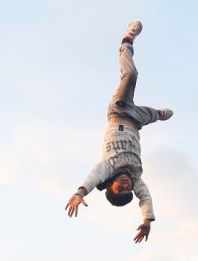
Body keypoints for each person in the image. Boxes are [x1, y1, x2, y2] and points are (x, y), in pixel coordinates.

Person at [65, 20, 173, 243]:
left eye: (120, 188)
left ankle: (126, 43)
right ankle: (157, 114)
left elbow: (92, 178)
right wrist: (147, 220)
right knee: (155, 115)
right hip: (137, 121)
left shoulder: (108, 168)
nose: (126, 186)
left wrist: (79, 193)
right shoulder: (136, 178)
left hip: (119, 110)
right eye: (128, 190)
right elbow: (145, 198)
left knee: (131, 76)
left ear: (110, 185)